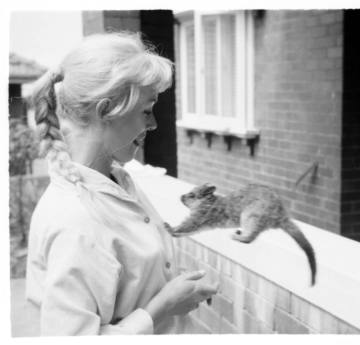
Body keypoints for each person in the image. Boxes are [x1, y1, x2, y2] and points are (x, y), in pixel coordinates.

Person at [25, 32, 218, 336]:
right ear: (106, 112)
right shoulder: (74, 222)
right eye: (147, 110)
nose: (153, 124)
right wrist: (164, 306)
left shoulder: (118, 181)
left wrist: (173, 291)